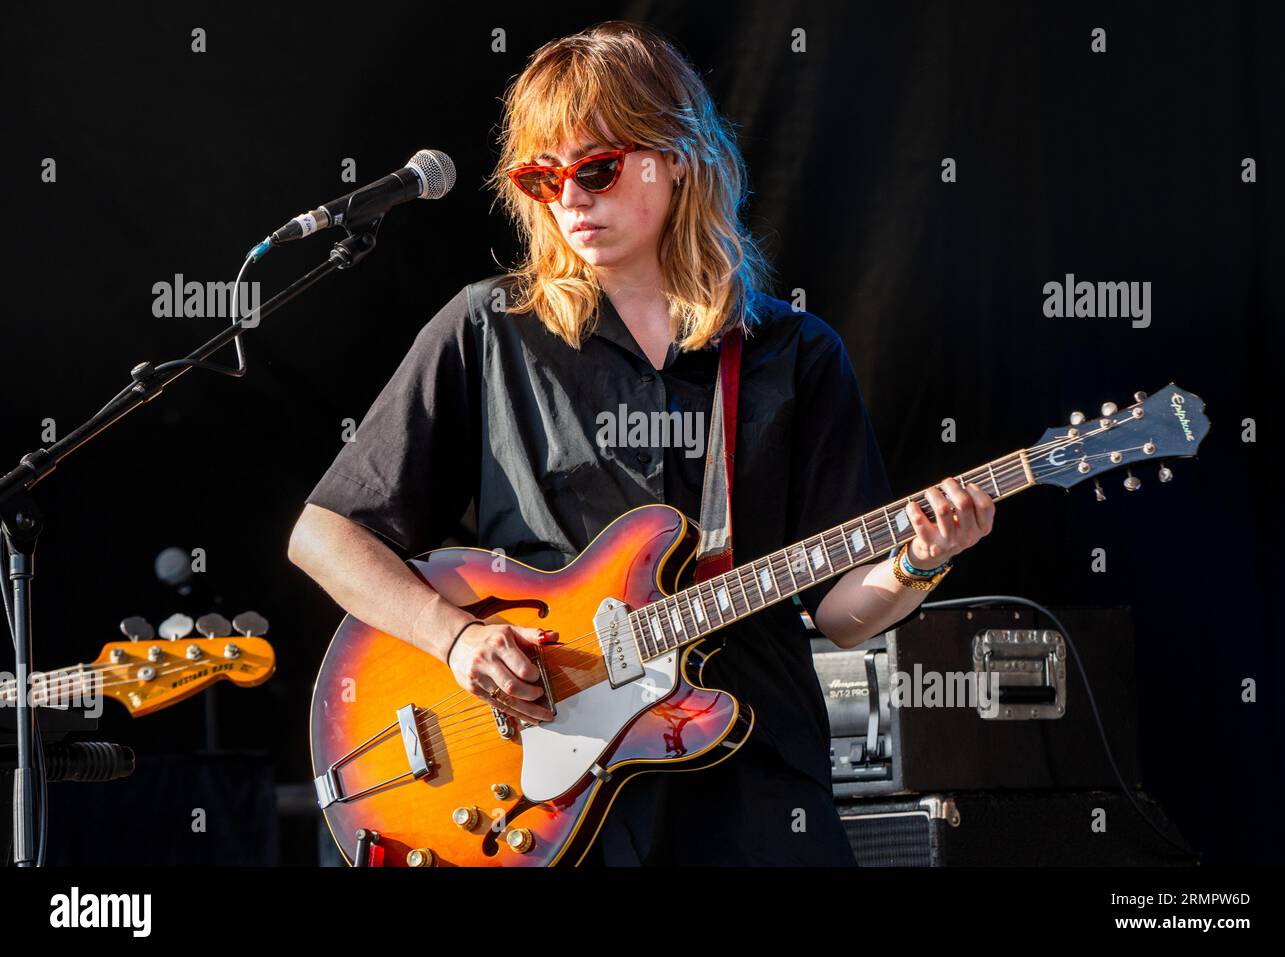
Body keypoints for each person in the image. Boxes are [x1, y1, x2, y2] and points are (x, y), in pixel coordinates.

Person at [287, 20, 995, 866]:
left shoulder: (794, 354)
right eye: (542, 177)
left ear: (678, 158)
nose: (570, 199)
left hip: (752, 781)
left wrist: (916, 562)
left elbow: (841, 614)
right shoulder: (489, 328)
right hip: (544, 782)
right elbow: (323, 534)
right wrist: (455, 635)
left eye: (596, 169)